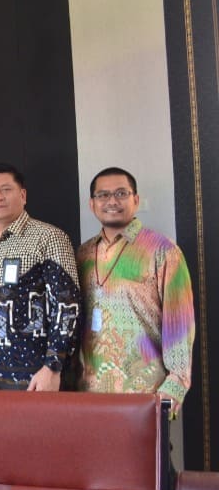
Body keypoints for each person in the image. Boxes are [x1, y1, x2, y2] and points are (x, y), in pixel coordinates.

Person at [77, 167, 195, 413]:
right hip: (88, 391)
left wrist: (174, 386)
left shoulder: (162, 250)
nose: (112, 201)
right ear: (92, 204)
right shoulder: (83, 253)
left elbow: (180, 322)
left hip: (145, 393)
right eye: (103, 195)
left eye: (121, 193)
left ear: (136, 200)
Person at [0, 163, 80, 390]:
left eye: (6, 189)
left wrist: (53, 366)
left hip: (33, 374)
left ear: (23, 195)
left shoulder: (48, 237)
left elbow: (67, 304)